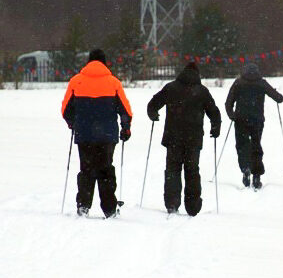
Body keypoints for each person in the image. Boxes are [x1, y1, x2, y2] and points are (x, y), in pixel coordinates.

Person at [61, 49, 132, 218]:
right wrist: (126, 127)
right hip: (107, 135)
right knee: (105, 170)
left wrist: (72, 123)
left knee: (86, 169)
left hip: (84, 134)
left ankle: (83, 205)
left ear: (88, 62)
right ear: (104, 62)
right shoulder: (113, 83)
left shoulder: (76, 82)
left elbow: (65, 110)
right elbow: (125, 111)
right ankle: (109, 209)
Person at [147, 62, 221, 216]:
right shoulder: (202, 91)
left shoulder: (171, 88)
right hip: (193, 140)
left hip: (173, 137)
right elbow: (214, 112)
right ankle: (193, 206)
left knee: (172, 170)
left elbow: (153, 104)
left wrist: (153, 114)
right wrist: (215, 127)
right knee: (192, 171)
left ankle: (172, 204)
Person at [225, 63, 283, 189]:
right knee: (256, 146)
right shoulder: (262, 83)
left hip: (240, 120)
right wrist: (277, 95)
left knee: (242, 146)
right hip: (257, 121)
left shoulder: (238, 83)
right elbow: (279, 98)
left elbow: (228, 102)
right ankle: (256, 175)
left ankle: (245, 168)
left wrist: (232, 115)